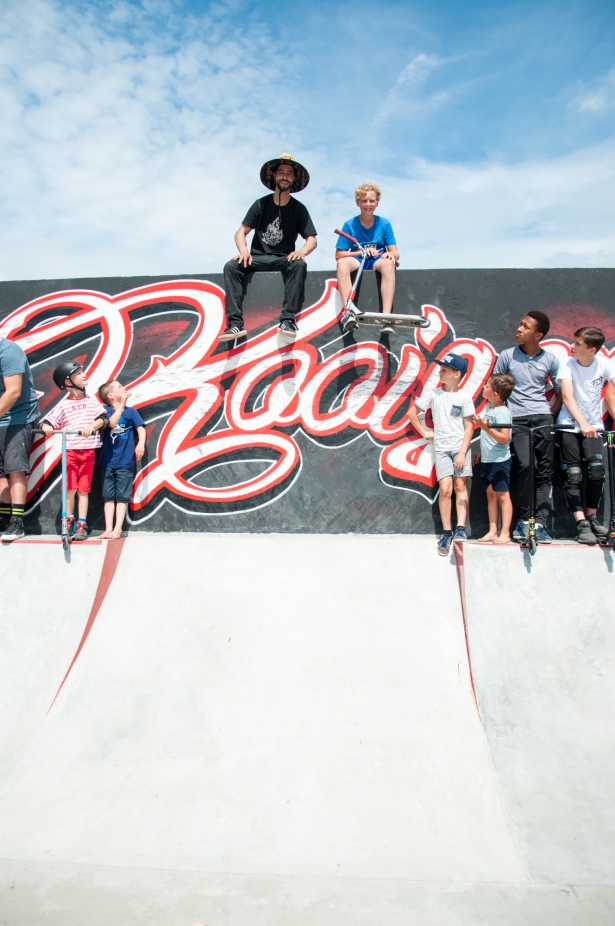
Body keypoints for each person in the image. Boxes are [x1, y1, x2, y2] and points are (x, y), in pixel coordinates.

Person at [219, 154, 317, 343]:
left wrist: (301, 252)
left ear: (294, 178)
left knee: (299, 265)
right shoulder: (261, 204)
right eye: (281, 172)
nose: (285, 176)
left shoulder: (299, 209)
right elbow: (240, 232)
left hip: (283, 260)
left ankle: (288, 320)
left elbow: (311, 239)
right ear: (274, 175)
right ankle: (235, 324)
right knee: (231, 266)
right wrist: (244, 252)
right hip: (257, 258)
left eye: (289, 173)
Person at [493, 311, 561, 543]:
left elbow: (561, 393)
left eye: (525, 326)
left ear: (538, 334)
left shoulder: (551, 360)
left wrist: (549, 416)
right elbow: (496, 392)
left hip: (543, 419)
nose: (519, 328)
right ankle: (523, 522)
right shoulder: (507, 356)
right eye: (520, 324)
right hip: (517, 420)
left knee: (544, 471)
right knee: (525, 466)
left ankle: (540, 524)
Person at [407, 353, 475, 556]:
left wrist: (463, 452)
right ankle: (447, 532)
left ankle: (461, 527)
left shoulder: (464, 398)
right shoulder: (433, 394)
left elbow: (469, 427)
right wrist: (425, 432)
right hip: (442, 448)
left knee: (460, 485)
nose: (440, 372)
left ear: (457, 374)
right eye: (440, 369)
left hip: (460, 448)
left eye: (445, 370)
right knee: (445, 489)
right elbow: (412, 414)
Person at [556, 326, 615, 544]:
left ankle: (592, 516)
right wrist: (583, 424)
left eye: (577, 343)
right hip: (569, 426)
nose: (572, 346)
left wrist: (590, 425)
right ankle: (581, 523)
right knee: (573, 473)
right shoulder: (567, 364)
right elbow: (568, 397)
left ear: (591, 349)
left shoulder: (605, 364)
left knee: (597, 471)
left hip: (594, 427)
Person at [41, 362, 108, 541]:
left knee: (83, 489)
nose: (84, 375)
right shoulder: (64, 405)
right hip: (71, 450)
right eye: (79, 373)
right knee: (70, 488)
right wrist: (47, 426)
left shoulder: (91, 400)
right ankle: (68, 520)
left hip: (87, 451)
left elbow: (103, 419)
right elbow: (49, 420)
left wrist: (91, 426)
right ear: (68, 382)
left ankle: (82, 522)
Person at [335, 183, 400, 334]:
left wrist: (390, 255)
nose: (368, 204)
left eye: (371, 201)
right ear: (358, 203)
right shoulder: (349, 224)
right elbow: (339, 255)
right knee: (342, 263)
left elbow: (395, 253)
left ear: (377, 202)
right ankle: (349, 313)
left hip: (377, 260)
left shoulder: (384, 224)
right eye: (364, 201)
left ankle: (386, 318)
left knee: (389, 263)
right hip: (358, 260)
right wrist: (361, 252)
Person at [0, 336, 40, 542]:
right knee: (0, 473)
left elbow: (13, 391)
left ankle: (17, 522)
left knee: (15, 468)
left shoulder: (8, 351)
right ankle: (4, 519)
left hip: (17, 418)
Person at [97, 380, 146, 539]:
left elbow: (140, 428)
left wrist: (140, 444)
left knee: (122, 497)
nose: (123, 388)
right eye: (119, 387)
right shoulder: (104, 412)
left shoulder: (131, 412)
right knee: (108, 497)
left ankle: (118, 528)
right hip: (107, 461)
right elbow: (111, 423)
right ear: (110, 395)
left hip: (125, 462)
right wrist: (121, 405)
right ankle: (108, 528)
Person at [473, 374, 515, 544]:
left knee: (503, 496)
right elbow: (490, 437)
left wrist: (485, 426)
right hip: (488, 460)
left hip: (499, 461)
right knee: (491, 495)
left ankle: (505, 533)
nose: (484, 387)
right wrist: (481, 452)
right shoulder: (491, 410)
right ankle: (493, 531)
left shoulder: (503, 413)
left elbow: (504, 438)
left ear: (495, 394)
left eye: (487, 385)